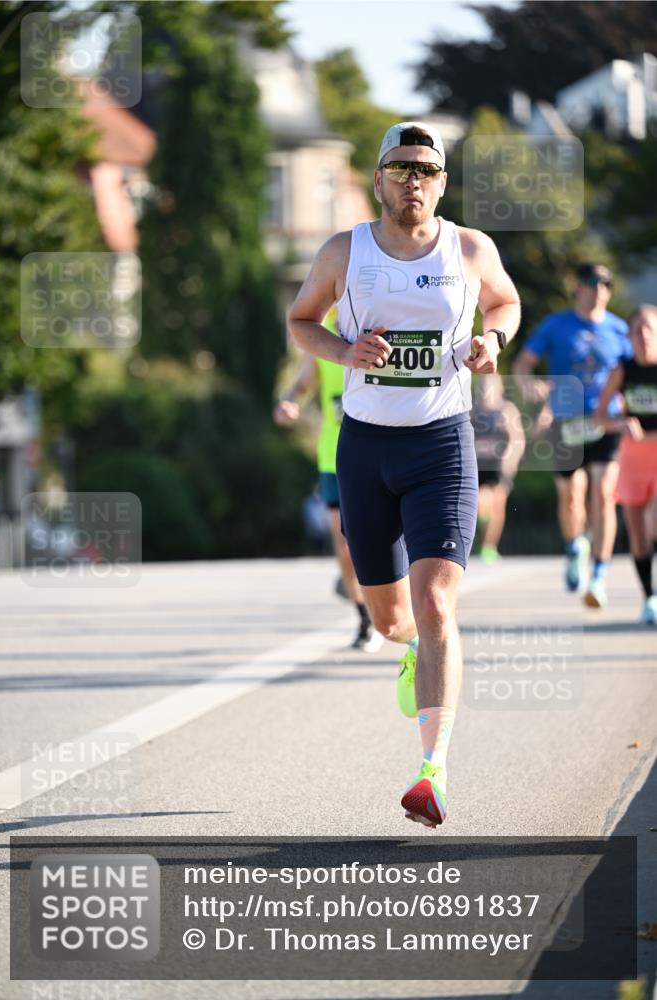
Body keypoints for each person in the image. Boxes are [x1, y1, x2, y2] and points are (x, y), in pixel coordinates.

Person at [288, 122, 520, 828]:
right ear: (381, 177)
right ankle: (408, 651)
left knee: (438, 605)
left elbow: (504, 302)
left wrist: (492, 339)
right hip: (363, 449)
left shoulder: (470, 249)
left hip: (442, 447)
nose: (411, 180)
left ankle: (432, 771)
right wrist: (344, 349)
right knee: (391, 620)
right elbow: (301, 321)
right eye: (398, 168)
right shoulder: (343, 251)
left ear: (441, 182)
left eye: (424, 169)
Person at [513, 263, 630, 608]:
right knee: (571, 496)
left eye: (606, 283)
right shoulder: (557, 325)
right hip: (566, 422)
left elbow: (635, 371)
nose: (600, 289)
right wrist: (528, 385)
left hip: (606, 421)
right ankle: (574, 545)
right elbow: (523, 365)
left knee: (604, 495)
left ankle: (598, 575)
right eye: (593, 282)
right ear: (577, 287)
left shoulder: (619, 329)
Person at [273, 309, 384, 652]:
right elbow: (302, 384)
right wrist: (289, 403)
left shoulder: (382, 325)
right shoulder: (325, 334)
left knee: (385, 540)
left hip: (383, 452)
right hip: (334, 457)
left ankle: (386, 600)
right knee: (346, 546)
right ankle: (366, 618)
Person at [595, 304, 657, 625]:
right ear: (630, 336)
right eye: (637, 330)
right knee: (638, 534)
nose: (643, 335)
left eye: (649, 328)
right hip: (632, 460)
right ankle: (649, 598)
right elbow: (600, 417)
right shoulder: (623, 370)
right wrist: (621, 425)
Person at [471, 374, 526, 563]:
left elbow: (517, 439)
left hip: (498, 464)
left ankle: (489, 547)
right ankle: (479, 529)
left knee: (498, 504)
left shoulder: (506, 410)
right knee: (481, 502)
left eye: (490, 387)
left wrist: (510, 460)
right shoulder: (471, 410)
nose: (486, 392)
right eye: (484, 387)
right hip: (477, 464)